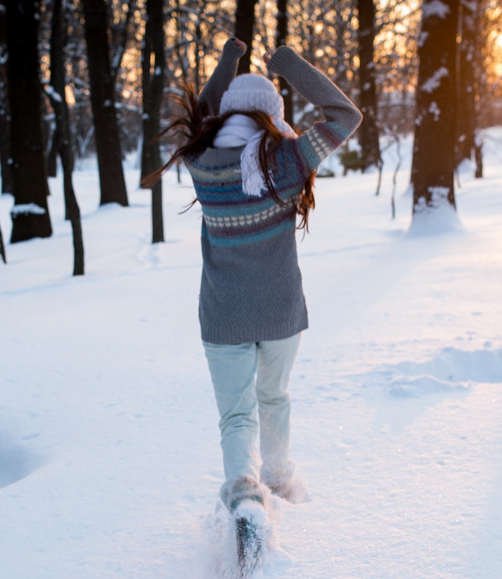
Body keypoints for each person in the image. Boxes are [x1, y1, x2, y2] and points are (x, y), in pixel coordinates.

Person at [145, 38, 361, 544]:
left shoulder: (202, 161)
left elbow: (202, 110)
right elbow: (345, 115)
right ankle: (281, 480)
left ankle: (245, 495)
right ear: (271, 116)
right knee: (274, 396)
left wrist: (228, 63)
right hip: (282, 312)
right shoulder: (287, 162)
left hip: (223, 317)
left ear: (225, 113)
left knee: (236, 414)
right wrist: (288, 66)